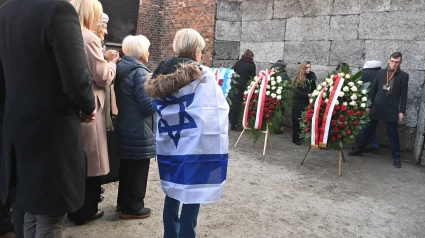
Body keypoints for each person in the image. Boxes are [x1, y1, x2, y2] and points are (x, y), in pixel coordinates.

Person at [0, 0, 96, 237]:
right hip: (52, 130)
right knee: (50, 215)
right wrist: (86, 106)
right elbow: (76, 78)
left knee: (27, 208)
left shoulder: (6, 11)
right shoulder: (58, 9)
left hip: (15, 127)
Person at [145, 28, 229, 238]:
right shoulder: (203, 75)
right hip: (195, 141)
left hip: (170, 142)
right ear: (195, 51)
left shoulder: (160, 74)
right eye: (201, 50)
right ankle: (186, 234)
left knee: (172, 190)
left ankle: (170, 234)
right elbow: (216, 109)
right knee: (193, 190)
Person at [68, 0, 119, 225]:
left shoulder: (71, 34)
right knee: (92, 160)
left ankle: (76, 208)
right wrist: (112, 63)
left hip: (73, 107)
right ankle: (86, 210)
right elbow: (102, 76)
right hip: (90, 106)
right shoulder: (89, 38)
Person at [115, 35, 155, 219]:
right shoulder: (140, 72)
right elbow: (147, 106)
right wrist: (159, 95)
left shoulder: (122, 67)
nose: (148, 52)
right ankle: (132, 207)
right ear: (140, 52)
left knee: (127, 167)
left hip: (126, 124)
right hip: (139, 128)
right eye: (147, 48)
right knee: (138, 168)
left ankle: (123, 203)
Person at [348, 52, 409, 168]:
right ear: (388, 60)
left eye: (397, 62)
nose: (394, 64)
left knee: (393, 134)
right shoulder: (380, 73)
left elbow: (404, 95)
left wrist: (402, 111)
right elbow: (373, 90)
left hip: (391, 109)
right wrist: (368, 105)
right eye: (392, 61)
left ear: (400, 62)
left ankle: (396, 157)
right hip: (377, 106)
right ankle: (359, 149)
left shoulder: (404, 76)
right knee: (367, 130)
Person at [357, 60, 382, 152]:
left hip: (367, 103)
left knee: (365, 125)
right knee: (369, 126)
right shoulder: (381, 75)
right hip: (377, 104)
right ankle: (374, 144)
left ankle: (361, 145)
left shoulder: (366, 74)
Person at [291, 61, 317, 145]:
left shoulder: (311, 77)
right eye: (307, 67)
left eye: (310, 67)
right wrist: (307, 95)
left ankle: (301, 136)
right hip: (298, 102)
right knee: (296, 121)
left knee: (303, 120)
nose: (309, 69)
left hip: (306, 103)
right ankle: (295, 138)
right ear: (303, 68)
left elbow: (314, 88)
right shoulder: (298, 78)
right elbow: (295, 92)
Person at [230, 49, 256, 131]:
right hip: (244, 87)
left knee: (234, 105)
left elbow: (232, 71)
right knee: (241, 105)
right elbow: (253, 77)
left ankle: (232, 123)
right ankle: (240, 123)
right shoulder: (251, 65)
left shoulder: (238, 62)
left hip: (235, 86)